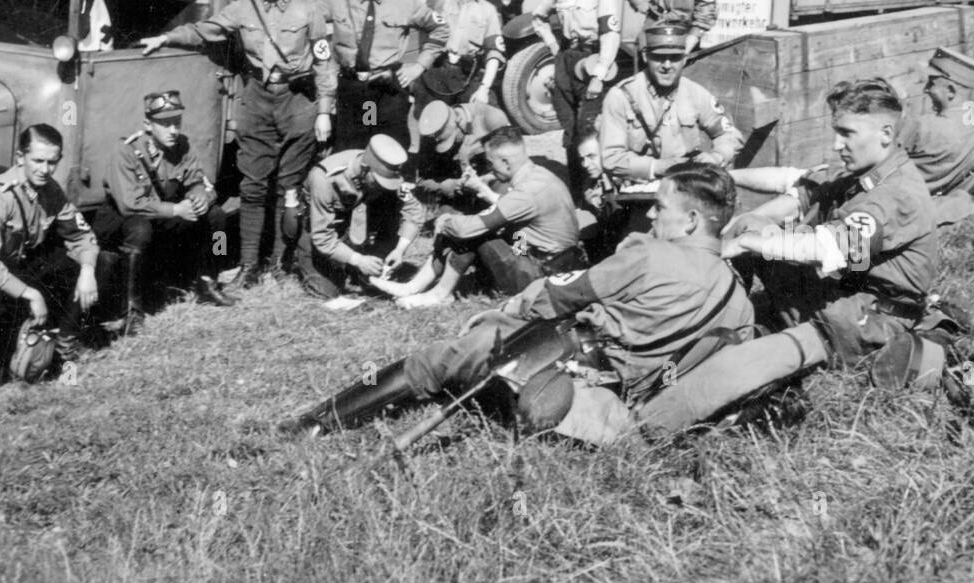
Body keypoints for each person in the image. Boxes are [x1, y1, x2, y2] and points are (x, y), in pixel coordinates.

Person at [285, 162, 755, 448]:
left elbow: (558, 296)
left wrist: (498, 318)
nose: (650, 214)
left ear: (692, 220)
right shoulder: (739, 300)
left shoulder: (649, 253)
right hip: (618, 402)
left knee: (448, 355)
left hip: (563, 367)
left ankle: (316, 422)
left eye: (660, 207)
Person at [638, 80, 940, 437]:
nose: (836, 144)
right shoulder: (868, 172)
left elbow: (827, 248)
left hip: (863, 325)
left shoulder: (896, 195)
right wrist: (719, 180)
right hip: (840, 295)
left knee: (746, 364)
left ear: (886, 133)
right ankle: (700, 317)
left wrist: (750, 243)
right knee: (751, 224)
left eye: (846, 133)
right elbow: (793, 184)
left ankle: (649, 424)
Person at [141, 0, 330, 289]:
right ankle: (247, 265)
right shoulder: (244, 9)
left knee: (287, 187)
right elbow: (204, 30)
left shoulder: (309, 10)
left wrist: (325, 110)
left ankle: (277, 263)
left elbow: (324, 62)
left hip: (297, 100)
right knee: (253, 186)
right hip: (256, 99)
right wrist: (166, 37)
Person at [0, 124, 119, 399]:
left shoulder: (49, 189)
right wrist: (30, 294)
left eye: (52, 162)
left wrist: (87, 270)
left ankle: (66, 346)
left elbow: (80, 234)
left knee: (101, 262)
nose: (45, 169)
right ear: (20, 158)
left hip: (12, 260)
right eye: (37, 161)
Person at [372, 126, 582, 309]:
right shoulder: (539, 175)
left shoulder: (526, 193)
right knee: (478, 226)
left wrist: (444, 220)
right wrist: (481, 187)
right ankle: (414, 286)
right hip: (550, 259)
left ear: (506, 162)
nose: (490, 169)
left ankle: (438, 294)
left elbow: (470, 228)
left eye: (491, 164)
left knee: (472, 231)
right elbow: (515, 209)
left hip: (539, 273)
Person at [94, 90, 233, 332]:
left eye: (176, 122)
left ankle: (209, 279)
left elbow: (198, 180)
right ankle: (131, 309)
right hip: (121, 220)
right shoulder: (126, 151)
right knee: (139, 229)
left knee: (217, 219)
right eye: (164, 123)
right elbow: (129, 203)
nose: (173, 130)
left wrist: (200, 195)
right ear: (148, 124)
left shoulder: (182, 146)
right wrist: (177, 209)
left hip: (162, 213)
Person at [316, 0, 449, 152]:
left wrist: (419, 66)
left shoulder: (405, 3)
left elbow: (440, 29)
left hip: (386, 89)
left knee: (390, 147)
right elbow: (304, 17)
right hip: (352, 89)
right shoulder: (336, 0)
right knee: (352, 148)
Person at [531, 0, 620, 198]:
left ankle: (599, 190)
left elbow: (610, 35)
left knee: (588, 129)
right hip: (566, 61)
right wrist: (552, 45)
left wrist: (599, 75)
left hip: (591, 61)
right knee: (570, 131)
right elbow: (538, 17)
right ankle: (577, 192)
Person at [600, 25, 743, 186]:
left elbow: (729, 134)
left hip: (686, 186)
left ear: (684, 59)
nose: (667, 65)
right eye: (659, 57)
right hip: (638, 189)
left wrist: (716, 156)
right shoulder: (622, 95)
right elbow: (610, 157)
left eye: (674, 57)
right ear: (646, 57)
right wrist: (658, 167)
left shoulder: (694, 92)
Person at [897, 49, 974, 225]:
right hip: (939, 219)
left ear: (951, 91)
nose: (926, 90)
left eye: (932, 83)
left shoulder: (920, 127)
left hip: (896, 215)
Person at [305, 134, 425, 303]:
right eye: (379, 182)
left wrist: (399, 250)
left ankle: (373, 260)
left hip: (358, 222)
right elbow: (322, 237)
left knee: (390, 207)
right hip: (321, 226)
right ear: (364, 168)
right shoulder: (325, 178)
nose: (383, 186)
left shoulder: (387, 168)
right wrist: (358, 260)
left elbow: (414, 211)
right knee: (327, 291)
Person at [416, 0, 506, 114]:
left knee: (491, 118)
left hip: (467, 75)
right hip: (437, 70)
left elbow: (494, 53)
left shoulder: (487, 10)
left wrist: (484, 89)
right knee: (431, 124)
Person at [413, 99, 510, 204]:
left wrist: (485, 179)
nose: (453, 144)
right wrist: (448, 185)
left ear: (459, 121)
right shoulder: (435, 126)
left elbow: (512, 164)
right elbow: (422, 179)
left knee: (504, 200)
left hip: (496, 178)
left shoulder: (492, 120)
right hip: (464, 187)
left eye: (453, 138)